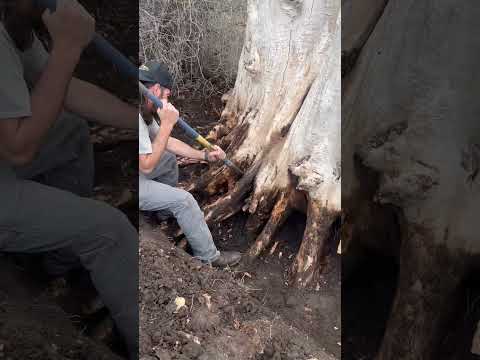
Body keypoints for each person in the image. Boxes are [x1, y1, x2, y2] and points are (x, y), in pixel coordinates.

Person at [0, 1, 138, 358]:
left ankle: (59, 263)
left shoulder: (14, 18)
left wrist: (141, 123)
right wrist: (68, 47)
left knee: (70, 131)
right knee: (111, 232)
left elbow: (68, 91)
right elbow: (17, 149)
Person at [138, 61, 241, 267]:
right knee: (184, 201)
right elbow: (147, 166)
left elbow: (167, 141)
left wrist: (204, 155)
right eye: (167, 95)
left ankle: (162, 214)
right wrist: (168, 123)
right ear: (157, 89)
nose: (166, 100)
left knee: (166, 159)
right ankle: (210, 257)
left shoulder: (143, 105)